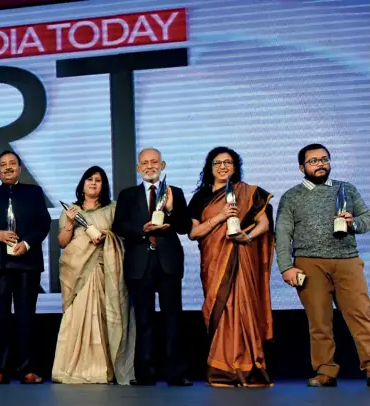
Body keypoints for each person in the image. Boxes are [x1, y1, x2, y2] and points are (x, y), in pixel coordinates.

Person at [276, 143, 370, 387]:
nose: (320, 164)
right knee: (319, 321)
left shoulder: (346, 189)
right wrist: (286, 267)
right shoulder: (292, 196)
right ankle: (326, 372)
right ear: (301, 167)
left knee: (362, 316)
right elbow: (283, 233)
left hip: (347, 260)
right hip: (309, 263)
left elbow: (366, 218)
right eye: (313, 161)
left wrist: (353, 223)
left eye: (324, 159)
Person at [188, 146, 274, 387]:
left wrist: (247, 238)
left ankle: (248, 367)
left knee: (244, 308)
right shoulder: (201, 197)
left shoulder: (248, 193)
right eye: (217, 163)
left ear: (236, 167)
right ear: (210, 168)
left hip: (242, 258)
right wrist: (221, 216)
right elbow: (194, 233)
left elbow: (264, 224)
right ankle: (222, 369)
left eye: (228, 162)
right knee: (221, 309)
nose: (223, 166)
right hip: (214, 264)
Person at [112, 147, 192, 386]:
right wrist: (141, 231)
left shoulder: (174, 192)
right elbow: (119, 227)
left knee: (172, 319)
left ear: (162, 165)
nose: (149, 166)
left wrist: (170, 209)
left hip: (168, 262)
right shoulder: (127, 195)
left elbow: (185, 226)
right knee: (143, 320)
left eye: (154, 162)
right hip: (139, 263)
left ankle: (175, 374)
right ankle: (145, 374)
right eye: (144, 163)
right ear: (138, 168)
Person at [52, 166, 135, 384]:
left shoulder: (113, 209)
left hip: (105, 271)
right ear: (82, 184)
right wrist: (70, 224)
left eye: (98, 180)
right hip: (79, 274)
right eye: (89, 179)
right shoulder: (70, 210)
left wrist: (105, 236)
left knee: (106, 319)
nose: (93, 183)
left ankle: (103, 369)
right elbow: (62, 242)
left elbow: (124, 236)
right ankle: (73, 367)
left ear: (103, 186)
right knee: (77, 320)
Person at [0, 150, 51, 384]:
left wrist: (26, 244)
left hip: (26, 264)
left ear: (20, 168)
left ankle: (27, 369)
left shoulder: (34, 192)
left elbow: (44, 223)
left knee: (26, 318)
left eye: (12, 164)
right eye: (3, 165)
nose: (8, 168)